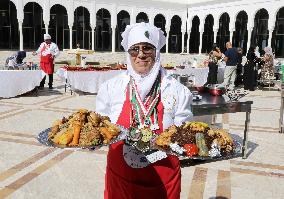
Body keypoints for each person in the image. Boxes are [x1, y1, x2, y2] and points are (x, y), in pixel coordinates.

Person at [96, 23, 193, 199]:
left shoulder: (178, 91)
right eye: (134, 49)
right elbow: (101, 129)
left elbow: (183, 134)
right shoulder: (111, 88)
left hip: (163, 181)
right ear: (128, 53)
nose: (140, 54)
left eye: (147, 48)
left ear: (156, 53)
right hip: (121, 180)